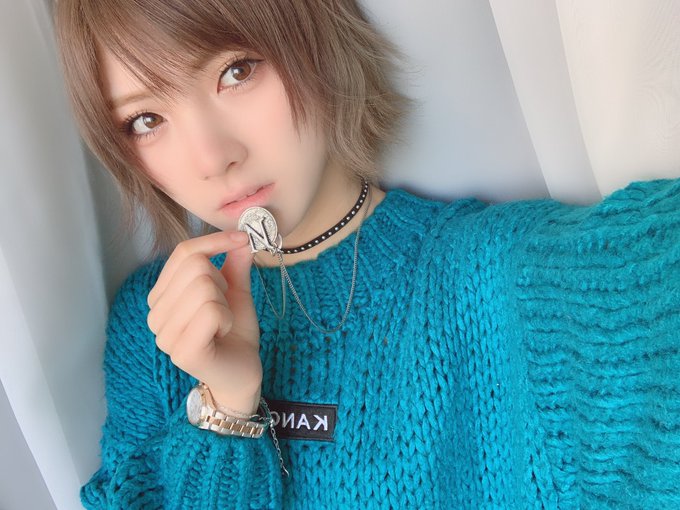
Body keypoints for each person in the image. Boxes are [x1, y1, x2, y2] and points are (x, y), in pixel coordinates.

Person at [54, 0, 680, 508]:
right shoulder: (153, 327)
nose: (212, 158)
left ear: (314, 37)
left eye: (236, 71)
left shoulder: (501, 276)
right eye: (146, 120)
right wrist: (223, 407)